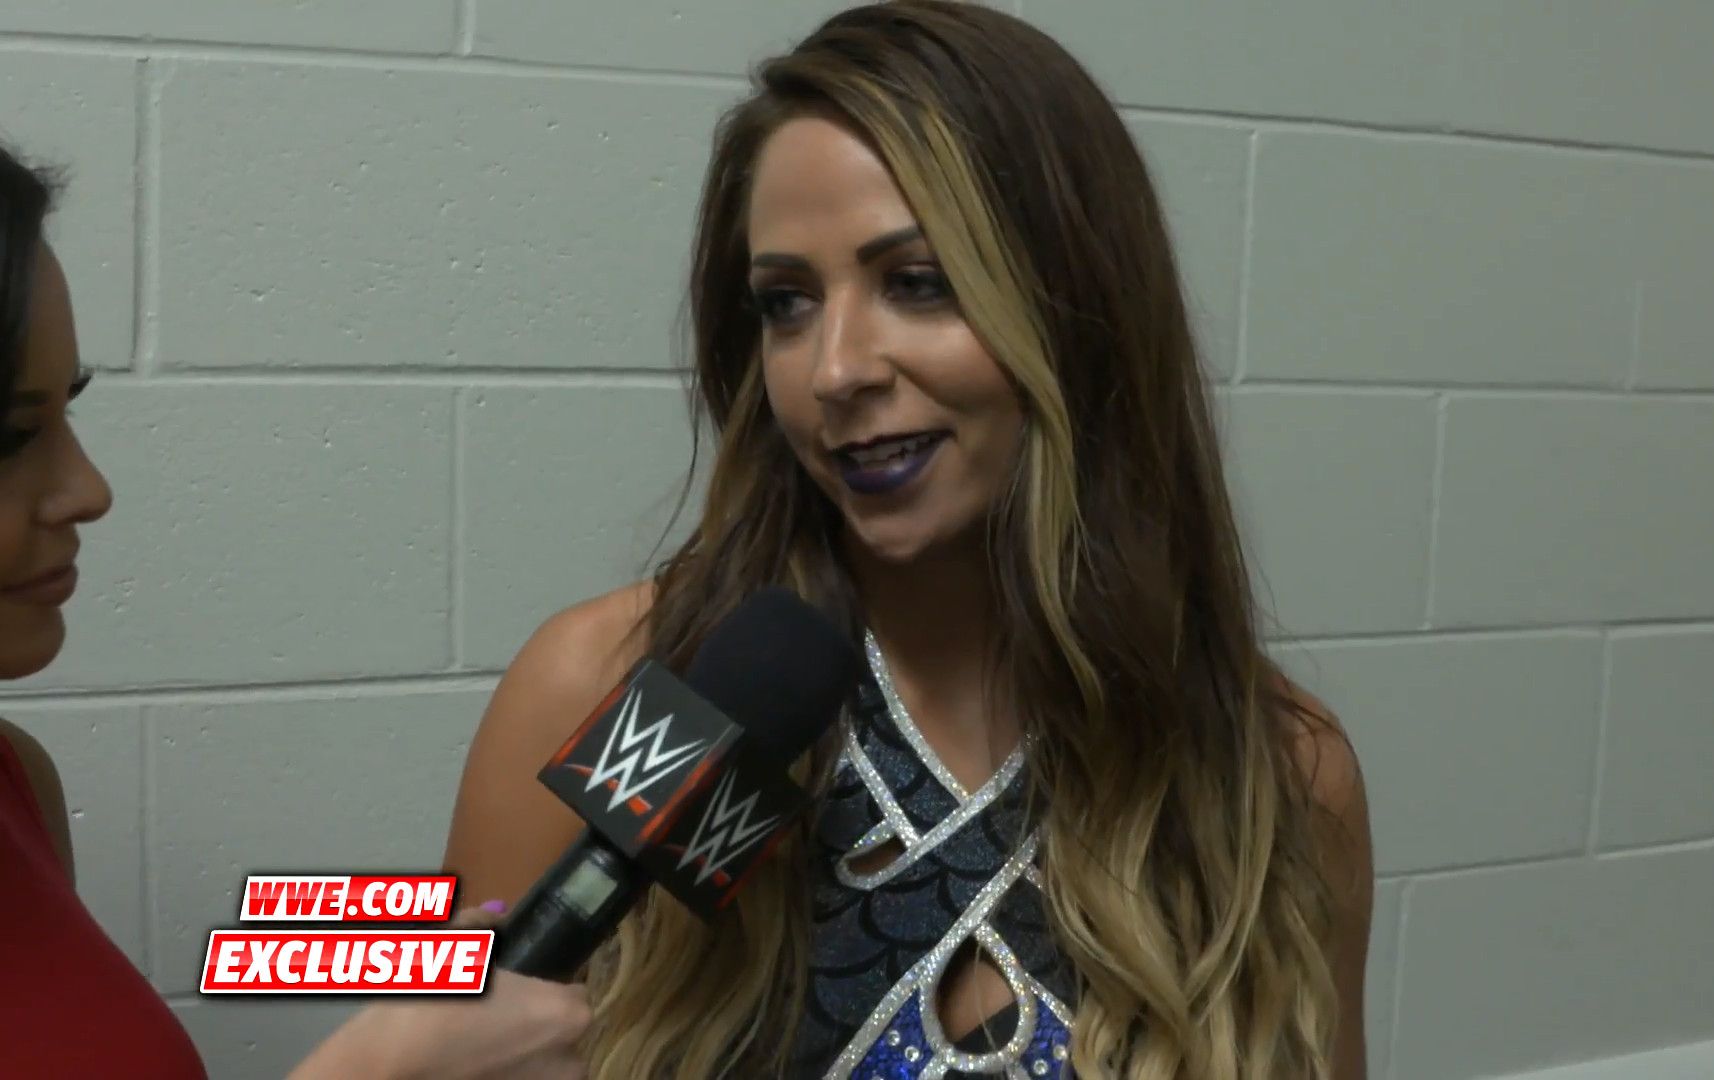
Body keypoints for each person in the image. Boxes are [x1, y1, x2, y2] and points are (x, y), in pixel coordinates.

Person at [442, 1, 1375, 1077]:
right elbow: (425, 1034)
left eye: (917, 283)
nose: (835, 369)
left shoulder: (1277, 777)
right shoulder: (612, 687)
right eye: (786, 304)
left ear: (1078, 312)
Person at [0, 145, 592, 1077]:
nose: (89, 489)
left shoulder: (18, 786)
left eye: (69, 412)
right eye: (12, 436)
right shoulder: (584, 664)